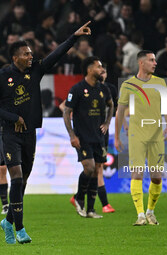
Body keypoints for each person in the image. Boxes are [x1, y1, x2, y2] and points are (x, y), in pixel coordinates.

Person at [0, 21, 91, 244]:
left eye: (31, 53)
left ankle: (8, 221)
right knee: (15, 178)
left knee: (22, 182)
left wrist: (74, 36)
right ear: (15, 57)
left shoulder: (36, 70)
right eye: (26, 54)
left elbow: (56, 54)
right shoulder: (1, 76)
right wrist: (15, 118)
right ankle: (19, 229)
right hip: (9, 133)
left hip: (29, 134)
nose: (31, 56)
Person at [115, 50, 167, 226]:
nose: (155, 63)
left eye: (155, 60)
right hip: (136, 134)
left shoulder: (160, 82)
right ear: (141, 63)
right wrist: (117, 136)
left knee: (156, 177)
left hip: (156, 135)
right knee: (137, 173)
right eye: (151, 60)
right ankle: (140, 214)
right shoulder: (128, 84)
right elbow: (120, 111)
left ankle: (150, 212)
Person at [63, 56, 114, 218]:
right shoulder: (77, 89)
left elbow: (111, 105)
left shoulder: (103, 89)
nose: (102, 70)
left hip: (98, 137)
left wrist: (107, 122)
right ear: (89, 69)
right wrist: (72, 135)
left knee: (95, 171)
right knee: (90, 168)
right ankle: (79, 197)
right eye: (99, 67)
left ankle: (91, 209)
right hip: (82, 137)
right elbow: (66, 112)